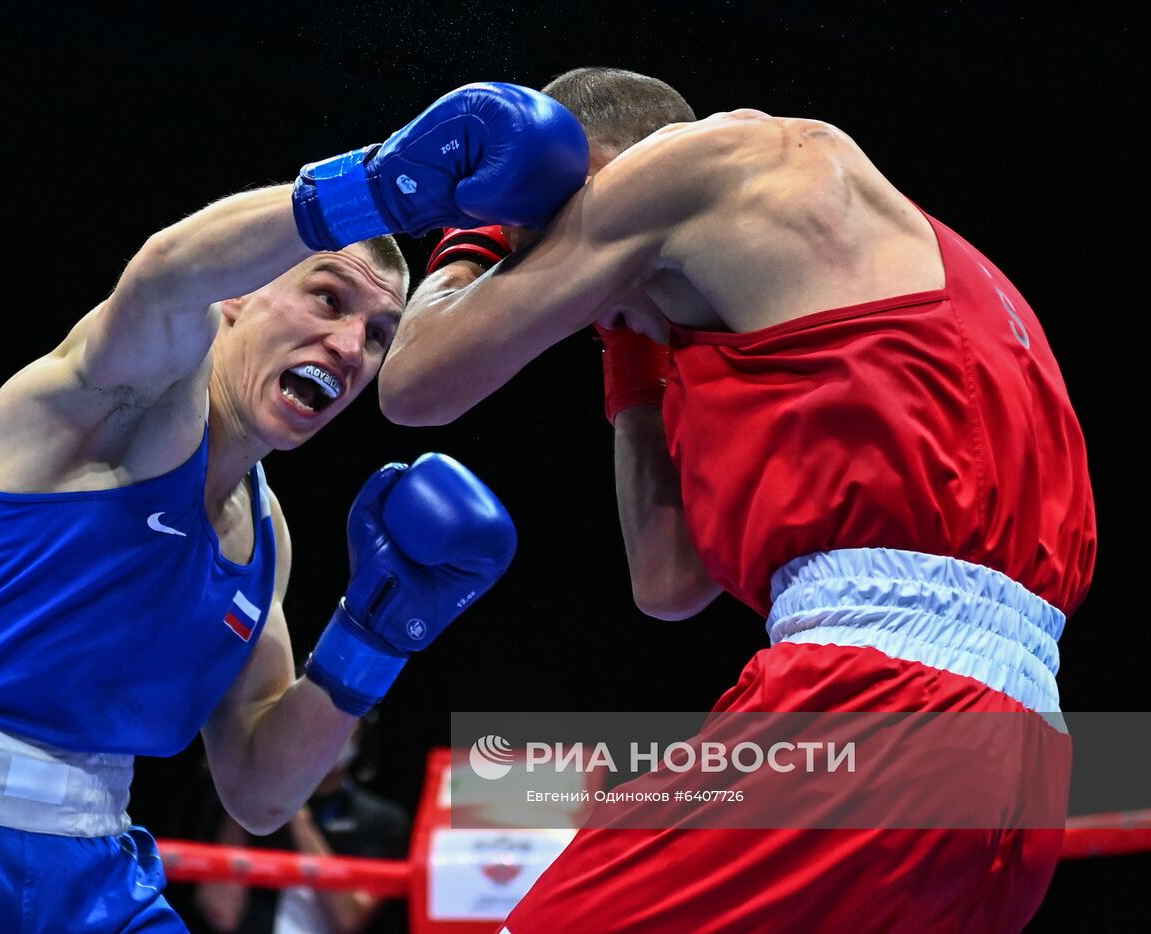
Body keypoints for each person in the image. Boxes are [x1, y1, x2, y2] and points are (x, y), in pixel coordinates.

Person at [0, 82, 587, 932]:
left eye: (380, 333)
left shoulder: (267, 536)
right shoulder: (129, 404)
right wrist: (379, 184)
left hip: (91, 859)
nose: (350, 346)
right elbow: (162, 278)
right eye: (328, 300)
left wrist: (373, 637)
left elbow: (261, 789)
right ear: (238, 293)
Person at [380, 67, 1095, 932]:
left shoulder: (722, 157)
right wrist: (632, 363)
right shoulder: (845, 284)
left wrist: (479, 229)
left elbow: (415, 387)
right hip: (1016, 764)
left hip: (869, 712)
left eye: (550, 241)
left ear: (586, 174)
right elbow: (669, 582)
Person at [189, 719, 408, 934]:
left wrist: (295, 811)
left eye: (343, 727)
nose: (327, 738)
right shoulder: (228, 807)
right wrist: (241, 799)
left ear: (361, 735)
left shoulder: (382, 820)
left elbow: (348, 919)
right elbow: (222, 914)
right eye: (316, 727)